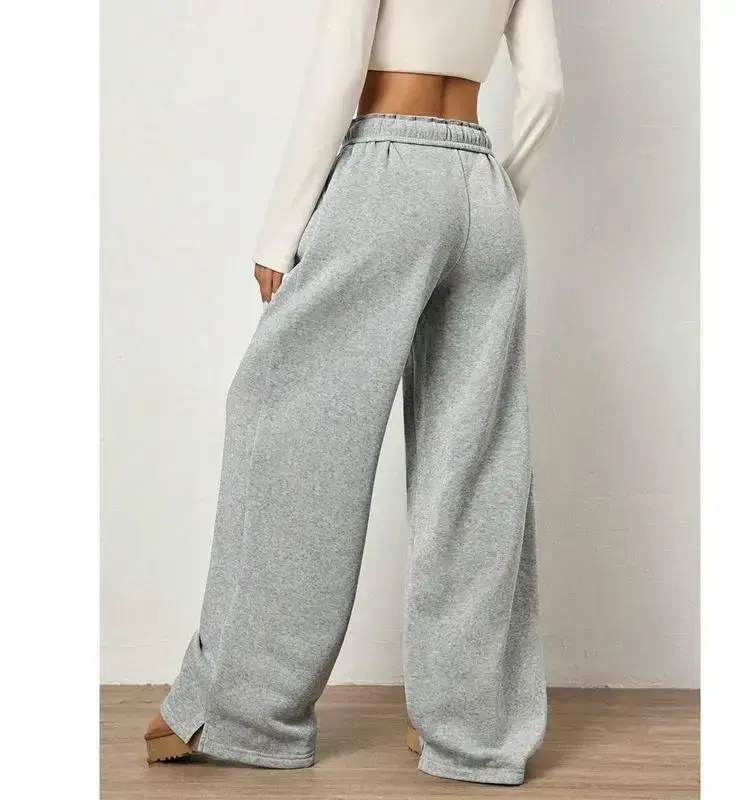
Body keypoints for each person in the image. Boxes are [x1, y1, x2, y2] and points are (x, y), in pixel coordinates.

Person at [144, 0, 563, 786]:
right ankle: (471, 730)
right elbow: (545, 87)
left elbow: (340, 74)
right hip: (482, 185)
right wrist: (494, 191)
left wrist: (280, 232)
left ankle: (243, 711)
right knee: (475, 467)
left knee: (290, 428)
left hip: (386, 171)